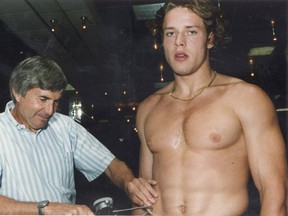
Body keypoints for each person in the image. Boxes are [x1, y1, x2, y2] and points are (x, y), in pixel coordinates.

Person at [135, 0, 287, 215]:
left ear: (210, 39)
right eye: (170, 33)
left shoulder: (246, 98)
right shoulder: (148, 109)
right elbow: (144, 200)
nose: (179, 42)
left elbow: (275, 195)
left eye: (191, 32)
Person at [0, 56, 158, 215]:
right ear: (18, 92)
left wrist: (129, 182)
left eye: (56, 101)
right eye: (43, 99)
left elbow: (111, 165)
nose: (50, 110)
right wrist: (46, 209)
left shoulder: (65, 127)